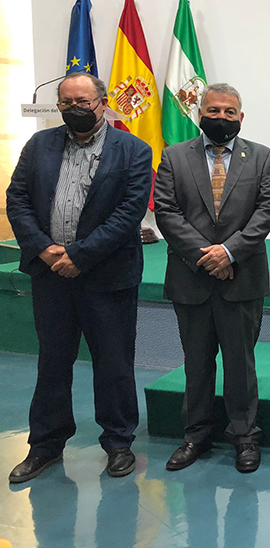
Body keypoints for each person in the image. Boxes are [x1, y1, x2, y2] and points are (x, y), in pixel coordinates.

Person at [6, 72, 151, 482]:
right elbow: (16, 199)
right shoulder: (39, 145)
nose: (75, 109)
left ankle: (119, 443)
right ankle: (46, 446)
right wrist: (44, 249)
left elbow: (129, 213)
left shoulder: (134, 150)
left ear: (102, 103)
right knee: (52, 362)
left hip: (107, 276)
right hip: (50, 275)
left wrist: (79, 256)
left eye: (83, 101)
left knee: (114, 363)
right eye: (67, 102)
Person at [154, 83, 270, 474]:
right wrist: (207, 256)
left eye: (229, 112)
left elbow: (267, 209)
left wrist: (228, 252)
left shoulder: (260, 157)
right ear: (199, 113)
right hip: (192, 278)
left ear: (241, 117)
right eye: (213, 110)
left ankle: (244, 435)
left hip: (241, 278)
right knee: (196, 361)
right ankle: (196, 434)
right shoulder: (174, 156)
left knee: (241, 363)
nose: (221, 117)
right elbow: (166, 211)